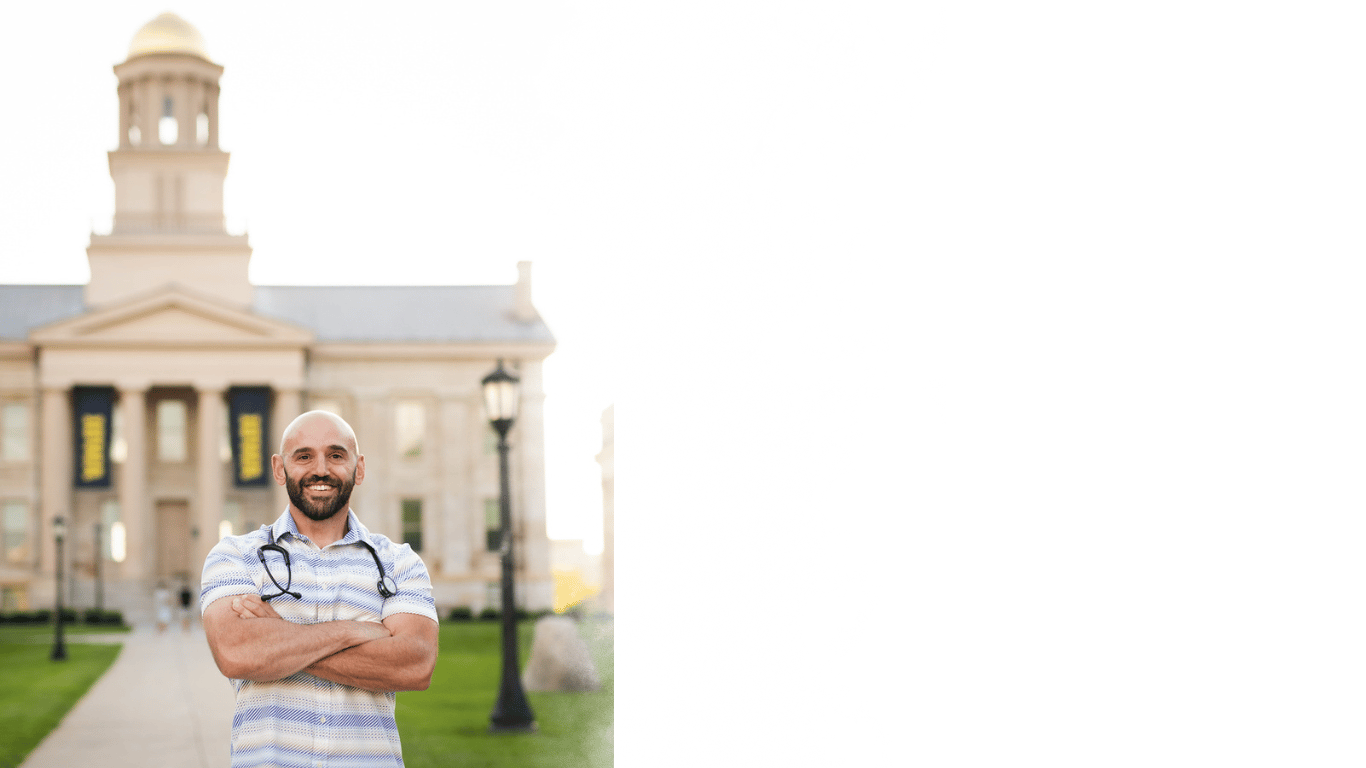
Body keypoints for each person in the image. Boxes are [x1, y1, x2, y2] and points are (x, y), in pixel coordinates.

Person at [201, 411, 438, 768]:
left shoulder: (399, 563)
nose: (321, 469)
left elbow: (416, 665)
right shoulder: (236, 555)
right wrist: (354, 631)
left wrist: (277, 640)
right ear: (280, 469)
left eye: (336, 455)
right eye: (304, 456)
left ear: (359, 468)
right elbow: (237, 653)